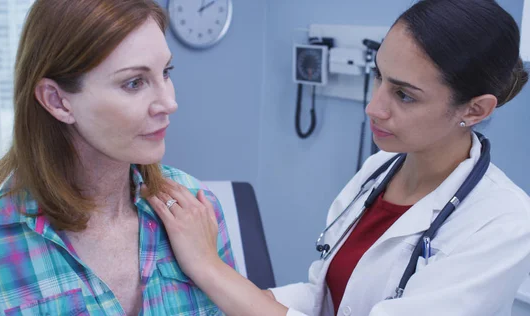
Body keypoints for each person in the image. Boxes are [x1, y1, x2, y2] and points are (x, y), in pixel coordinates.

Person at [146, 0, 530, 315]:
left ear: (476, 110)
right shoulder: (377, 171)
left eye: (405, 95)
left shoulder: (503, 223)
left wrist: (209, 268)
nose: (373, 107)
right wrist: (244, 298)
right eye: (378, 76)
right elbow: (324, 296)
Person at [0, 0, 236, 315]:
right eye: (134, 83)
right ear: (57, 101)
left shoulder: (196, 206)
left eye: (165, 72)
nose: (168, 102)